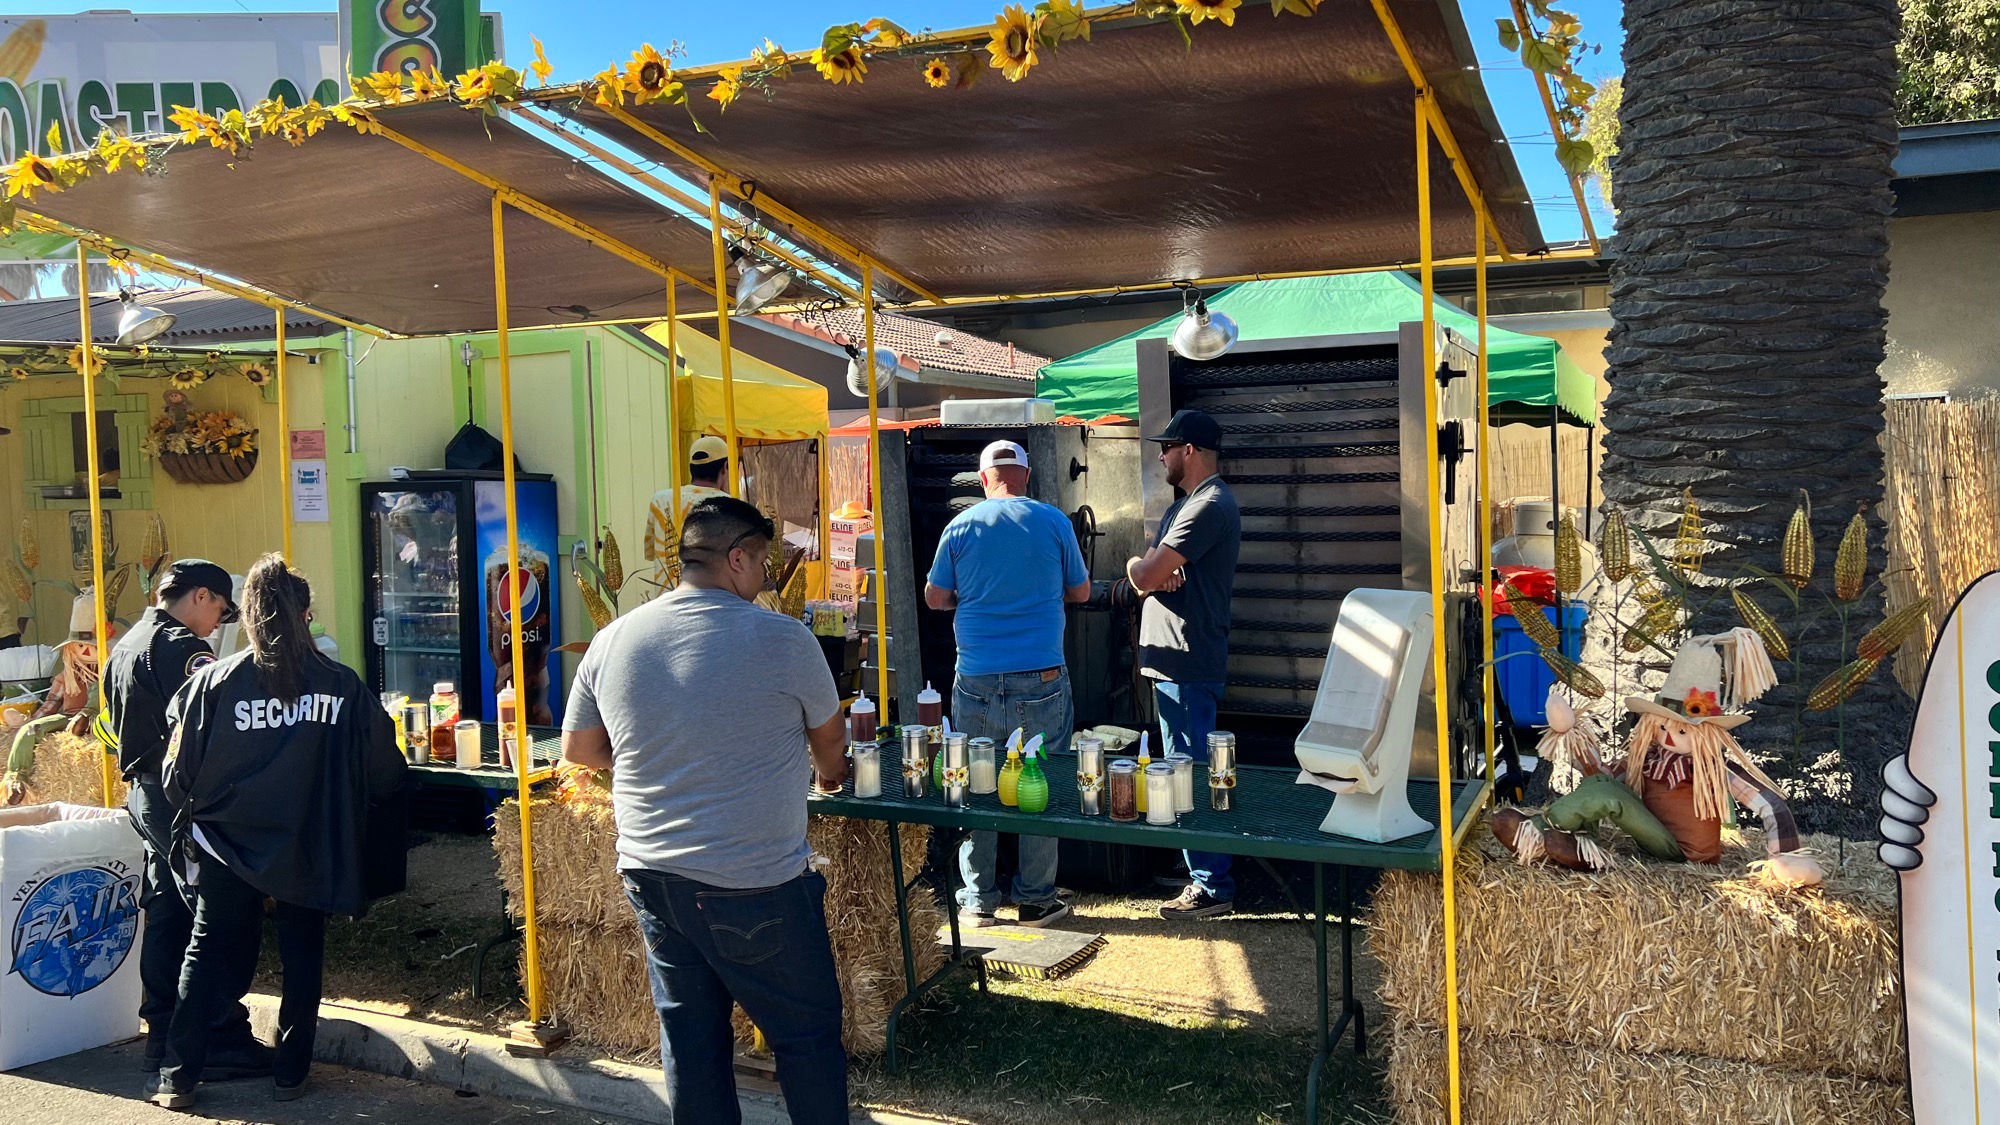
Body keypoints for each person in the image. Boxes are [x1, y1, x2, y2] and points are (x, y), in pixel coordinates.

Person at [561, 497, 849, 1125]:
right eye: (765, 562)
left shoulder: (614, 639)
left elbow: (581, 751)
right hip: (754, 879)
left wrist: (662, 755)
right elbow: (830, 745)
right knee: (806, 1040)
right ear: (737, 558)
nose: (768, 576)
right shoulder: (782, 637)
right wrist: (827, 776)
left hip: (653, 875)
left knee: (693, 1045)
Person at [148, 555, 405, 1109]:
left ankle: (177, 1076)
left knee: (205, 950)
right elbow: (385, 769)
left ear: (248, 617)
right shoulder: (341, 683)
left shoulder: (212, 682)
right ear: (305, 615)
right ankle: (291, 1073)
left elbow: (174, 778)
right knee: (303, 953)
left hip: (226, 846)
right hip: (309, 841)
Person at [98, 562, 272, 1077]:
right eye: (219, 611)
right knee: (219, 914)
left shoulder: (127, 642)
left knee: (169, 911)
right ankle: (217, 1035)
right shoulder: (181, 648)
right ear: (201, 596)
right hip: (183, 797)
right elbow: (213, 725)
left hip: (144, 792)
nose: (218, 624)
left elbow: (108, 725)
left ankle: (164, 1030)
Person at [925, 440, 1091, 929]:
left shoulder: (960, 526)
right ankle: (1037, 900)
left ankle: (978, 901)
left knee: (979, 784)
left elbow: (935, 599)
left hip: (975, 676)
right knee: (1038, 781)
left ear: (983, 479)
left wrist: (972, 598)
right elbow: (1080, 590)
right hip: (1041, 677)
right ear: (1027, 476)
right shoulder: (1055, 521)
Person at [1125, 409, 1242, 921]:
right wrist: (1151, 572)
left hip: (1188, 665)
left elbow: (1147, 570)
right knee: (1184, 770)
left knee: (1192, 772)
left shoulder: (1207, 505)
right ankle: (1202, 868)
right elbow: (1153, 571)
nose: (1160, 455)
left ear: (1189, 451)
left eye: (1167, 447)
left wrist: (1144, 571)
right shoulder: (1186, 506)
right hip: (1175, 665)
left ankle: (1213, 884)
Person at [3, 590, 112, 805]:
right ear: (71, 648)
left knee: (98, 689)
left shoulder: (112, 671)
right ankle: (17, 779)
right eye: (80, 646)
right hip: (68, 718)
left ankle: (87, 715)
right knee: (29, 731)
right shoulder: (68, 675)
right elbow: (52, 702)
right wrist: (34, 720)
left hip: (103, 719)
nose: (86, 651)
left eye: (91, 645)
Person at [643, 434, 733, 579]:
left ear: (692, 468)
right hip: (710, 598)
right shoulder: (730, 507)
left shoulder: (660, 500)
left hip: (666, 598)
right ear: (725, 467)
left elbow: (650, 552)